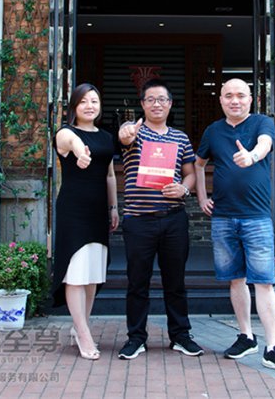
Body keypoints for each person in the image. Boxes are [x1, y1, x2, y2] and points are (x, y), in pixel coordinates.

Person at [194, 78, 275, 373]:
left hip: (256, 217)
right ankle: (246, 337)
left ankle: (272, 347)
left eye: (241, 95)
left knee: (264, 281)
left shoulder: (262, 123)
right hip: (223, 217)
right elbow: (199, 164)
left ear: (250, 99)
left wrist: (251, 156)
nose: (235, 100)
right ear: (221, 99)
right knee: (235, 279)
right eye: (228, 95)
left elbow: (265, 145)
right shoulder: (213, 131)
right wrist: (201, 197)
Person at [117, 78, 203, 360]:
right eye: (151, 99)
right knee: (137, 282)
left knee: (175, 281)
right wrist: (127, 132)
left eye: (162, 99)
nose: (157, 104)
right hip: (139, 220)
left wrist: (184, 189)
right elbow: (124, 137)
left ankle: (180, 336)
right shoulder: (134, 132)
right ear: (142, 104)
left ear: (170, 104)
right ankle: (136, 338)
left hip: (173, 218)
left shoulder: (180, 138)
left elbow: (190, 173)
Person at [52, 83, 119, 360]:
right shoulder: (65, 133)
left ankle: (81, 326)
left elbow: (110, 175)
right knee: (76, 273)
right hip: (74, 210)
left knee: (92, 274)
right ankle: (83, 333)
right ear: (74, 107)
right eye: (83, 102)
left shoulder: (106, 137)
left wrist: (114, 208)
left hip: (98, 210)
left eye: (94, 101)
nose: (90, 106)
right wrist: (81, 154)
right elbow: (74, 144)